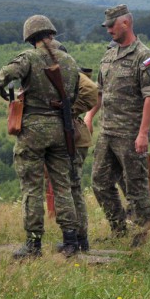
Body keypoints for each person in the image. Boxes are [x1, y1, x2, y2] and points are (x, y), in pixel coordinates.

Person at [0, 17, 82, 259]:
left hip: (33, 130)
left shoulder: (29, 57)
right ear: (51, 33)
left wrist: (7, 94)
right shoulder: (69, 60)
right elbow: (75, 94)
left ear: (31, 37)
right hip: (61, 128)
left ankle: (33, 244)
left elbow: (1, 77)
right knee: (63, 186)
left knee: (32, 187)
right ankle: (70, 241)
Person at [84, 4, 150, 247]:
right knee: (100, 182)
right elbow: (101, 92)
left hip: (130, 133)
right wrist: (90, 115)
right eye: (106, 26)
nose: (108, 30)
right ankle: (118, 228)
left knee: (136, 186)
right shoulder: (109, 55)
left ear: (125, 23)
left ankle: (140, 235)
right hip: (107, 132)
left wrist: (143, 133)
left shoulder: (143, 56)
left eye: (111, 25)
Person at [51, 41, 99, 253]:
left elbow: (91, 91)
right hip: (68, 136)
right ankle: (79, 238)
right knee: (71, 187)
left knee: (72, 187)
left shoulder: (71, 73)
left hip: (74, 137)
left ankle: (79, 238)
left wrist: (70, 110)